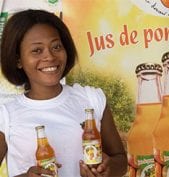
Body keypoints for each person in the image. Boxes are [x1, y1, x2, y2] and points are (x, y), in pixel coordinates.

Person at [0, 9, 127, 177]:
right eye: (37, 50)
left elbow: (120, 160)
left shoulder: (91, 99)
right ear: (18, 60)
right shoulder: (6, 115)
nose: (50, 56)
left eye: (56, 46)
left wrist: (108, 169)